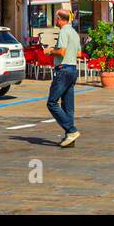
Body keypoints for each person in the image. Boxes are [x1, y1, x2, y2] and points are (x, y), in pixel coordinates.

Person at [45, 8, 80, 148]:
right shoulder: (74, 32)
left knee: (52, 102)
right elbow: (79, 53)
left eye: (55, 18)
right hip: (72, 69)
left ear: (59, 18)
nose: (55, 20)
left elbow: (61, 51)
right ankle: (69, 138)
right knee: (68, 106)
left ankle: (72, 130)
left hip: (63, 70)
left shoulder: (64, 31)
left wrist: (50, 51)